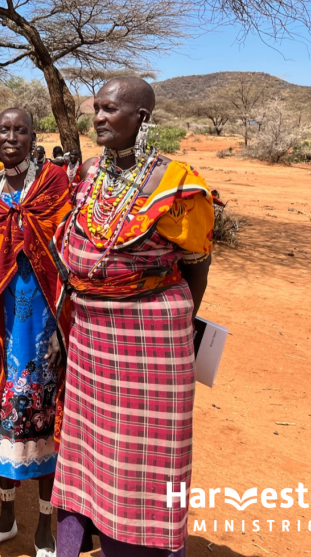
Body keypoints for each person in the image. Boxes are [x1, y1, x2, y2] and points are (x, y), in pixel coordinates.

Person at [52, 78, 214, 557]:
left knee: (147, 455)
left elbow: (196, 267)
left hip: (152, 336)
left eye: (111, 109)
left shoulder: (177, 182)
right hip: (91, 333)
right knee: (89, 444)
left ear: (141, 117)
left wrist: (178, 334)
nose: (98, 117)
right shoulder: (88, 172)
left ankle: (143, 546)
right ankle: (84, 535)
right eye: (96, 108)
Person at [0, 108, 71, 557]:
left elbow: (66, 248)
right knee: (2, 422)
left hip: (44, 323)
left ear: (33, 137)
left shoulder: (53, 187)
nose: (12, 137)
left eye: (21, 130)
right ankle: (6, 518)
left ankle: (45, 527)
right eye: (4, 130)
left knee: (46, 421)